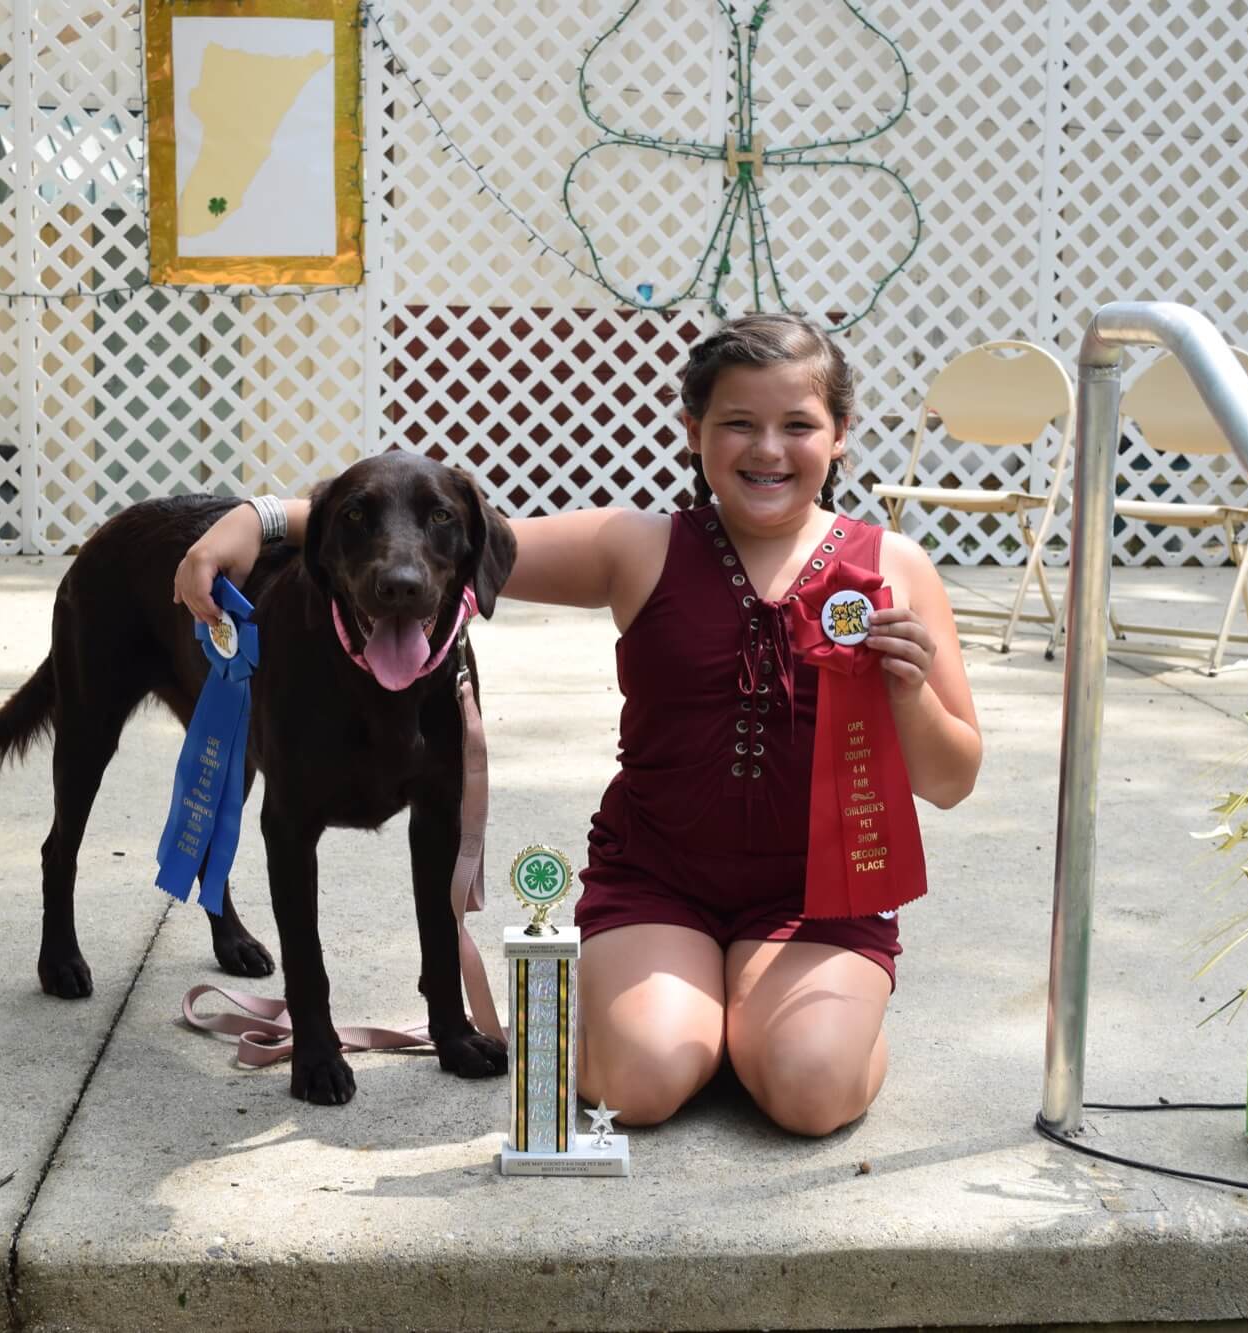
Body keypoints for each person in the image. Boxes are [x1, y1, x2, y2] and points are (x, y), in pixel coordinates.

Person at [174, 313, 982, 1136]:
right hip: (662, 886)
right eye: (738, 423)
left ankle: (778, 1031)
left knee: (811, 1091)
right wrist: (259, 519)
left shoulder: (893, 568)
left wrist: (908, 694)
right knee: (636, 1085)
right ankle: (713, 1023)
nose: (768, 449)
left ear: (840, 434)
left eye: (798, 425)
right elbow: (447, 529)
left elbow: (952, 779)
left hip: (821, 902)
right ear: (694, 429)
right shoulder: (637, 547)